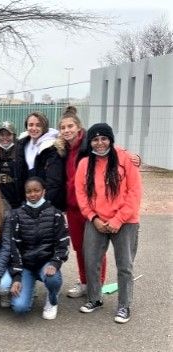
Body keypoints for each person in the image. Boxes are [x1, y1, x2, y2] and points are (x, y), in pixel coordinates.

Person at [57, 106, 141, 298]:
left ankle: (98, 286)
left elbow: (112, 148)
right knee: (81, 249)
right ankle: (86, 283)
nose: (67, 130)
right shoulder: (61, 149)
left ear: (79, 128)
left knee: (100, 253)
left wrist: (131, 155)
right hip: (74, 206)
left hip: (95, 209)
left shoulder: (89, 146)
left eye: (71, 126)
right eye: (63, 127)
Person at [75, 123, 141, 324]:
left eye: (104, 138)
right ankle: (94, 298)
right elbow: (82, 194)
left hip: (125, 221)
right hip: (96, 220)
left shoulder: (124, 159)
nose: (100, 143)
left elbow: (134, 192)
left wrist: (118, 219)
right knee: (92, 261)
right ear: (90, 142)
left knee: (124, 265)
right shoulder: (85, 164)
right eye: (95, 139)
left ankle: (124, 305)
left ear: (110, 140)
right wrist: (93, 218)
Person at [11, 177, 69, 320]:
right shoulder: (17, 215)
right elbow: (14, 247)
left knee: (53, 279)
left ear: (44, 191)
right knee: (19, 308)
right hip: (26, 266)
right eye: (29, 191)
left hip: (46, 263)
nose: (33, 194)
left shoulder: (56, 214)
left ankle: (52, 297)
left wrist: (55, 263)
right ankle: (30, 289)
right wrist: (17, 276)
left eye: (37, 190)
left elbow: (63, 244)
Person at [15, 111, 65, 210]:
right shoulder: (21, 144)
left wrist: (44, 204)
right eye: (30, 125)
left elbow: (54, 181)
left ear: (44, 127)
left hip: (46, 202)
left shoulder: (52, 147)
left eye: (38, 125)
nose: (34, 128)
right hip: (26, 202)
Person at [0, 121, 21, 208]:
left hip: (15, 199)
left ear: (14, 135)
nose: (5, 137)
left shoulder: (20, 150)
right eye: (2, 134)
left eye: (8, 134)